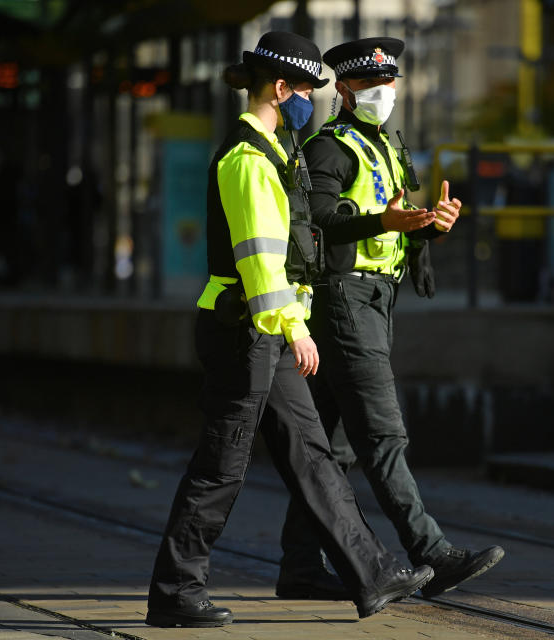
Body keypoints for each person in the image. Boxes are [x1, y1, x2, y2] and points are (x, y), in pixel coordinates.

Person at [145, 32, 436, 628]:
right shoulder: (249, 159)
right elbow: (259, 260)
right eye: (306, 89)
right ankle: (176, 589)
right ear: (282, 89)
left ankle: (371, 571)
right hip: (244, 327)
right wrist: (294, 328)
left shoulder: (274, 150)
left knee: (313, 454)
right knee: (223, 462)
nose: (310, 100)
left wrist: (290, 326)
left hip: (268, 329)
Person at [277, 37, 505, 601]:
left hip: (375, 302)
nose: (387, 94)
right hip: (344, 302)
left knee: (333, 449)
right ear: (346, 91)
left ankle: (301, 569)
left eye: (391, 84)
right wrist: (386, 219)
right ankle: (431, 551)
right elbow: (322, 219)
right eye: (374, 87)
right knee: (381, 435)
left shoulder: (384, 145)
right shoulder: (330, 148)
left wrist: (431, 225)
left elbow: (394, 222)